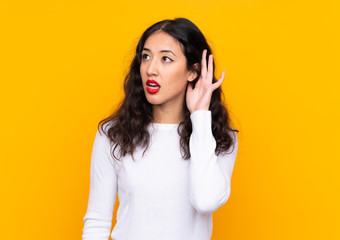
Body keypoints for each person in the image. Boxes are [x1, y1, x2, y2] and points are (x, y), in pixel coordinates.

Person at [82, 17, 239, 240]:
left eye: (166, 59)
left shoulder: (219, 137)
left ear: (192, 72)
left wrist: (200, 117)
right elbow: (97, 222)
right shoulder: (114, 134)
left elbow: (205, 201)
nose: (150, 69)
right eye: (146, 57)